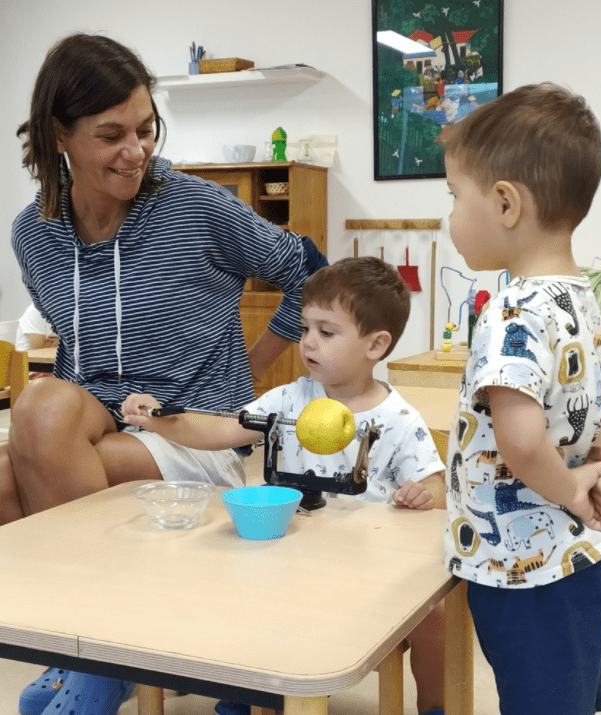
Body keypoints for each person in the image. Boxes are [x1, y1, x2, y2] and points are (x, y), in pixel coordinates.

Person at [8, 33, 326, 715]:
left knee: (29, 441)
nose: (137, 150)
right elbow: (70, 344)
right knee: (34, 415)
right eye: (111, 134)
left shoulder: (194, 207)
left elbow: (311, 270)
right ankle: (88, 647)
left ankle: (100, 659)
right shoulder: (33, 233)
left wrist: (256, 364)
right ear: (59, 136)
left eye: (146, 129)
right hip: (98, 419)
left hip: (194, 429)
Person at [123, 257, 447, 715]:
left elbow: (435, 488)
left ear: (376, 345)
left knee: (434, 618)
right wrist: (161, 422)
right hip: (289, 558)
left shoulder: (398, 419)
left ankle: (437, 706)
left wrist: (422, 496)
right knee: (231, 583)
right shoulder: (289, 399)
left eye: (327, 332)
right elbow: (220, 431)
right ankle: (247, 691)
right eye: (305, 328)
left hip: (367, 568)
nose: (308, 342)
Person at [442, 82, 601, 715]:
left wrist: (572, 486)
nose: (449, 218)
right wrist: (589, 462)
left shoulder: (511, 311)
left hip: (527, 572)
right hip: (582, 562)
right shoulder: (582, 296)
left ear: (505, 203)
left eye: (453, 197)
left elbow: (520, 441)